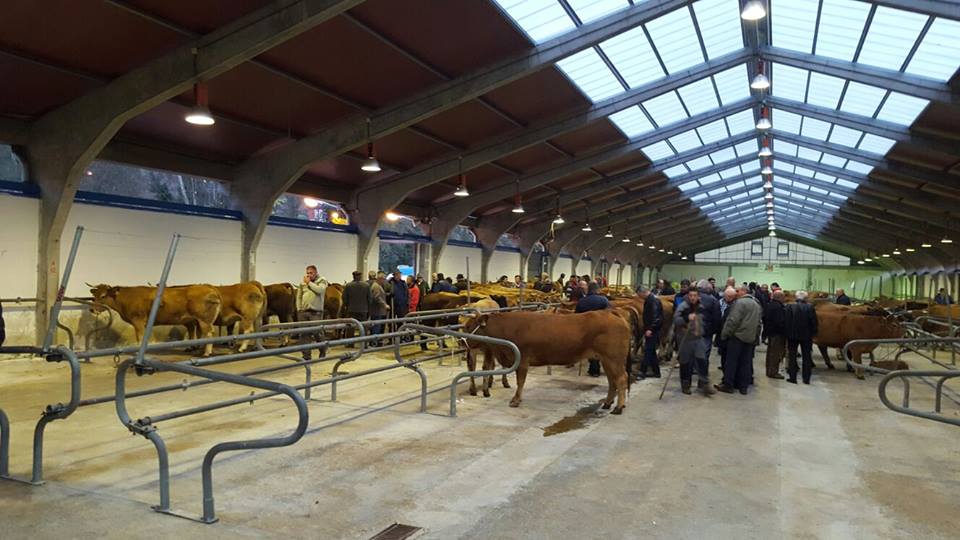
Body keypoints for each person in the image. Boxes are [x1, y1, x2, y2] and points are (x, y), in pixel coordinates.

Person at [716, 286, 762, 395]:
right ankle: (743, 387)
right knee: (745, 363)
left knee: (731, 362)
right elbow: (759, 323)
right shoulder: (756, 304)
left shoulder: (739, 303)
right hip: (750, 338)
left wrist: (724, 334)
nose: (736, 293)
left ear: (743, 292)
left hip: (737, 337)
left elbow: (733, 320)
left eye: (738, 291)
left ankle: (728, 385)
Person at [674, 287, 716, 396]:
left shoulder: (701, 306)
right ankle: (685, 385)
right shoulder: (683, 306)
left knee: (702, 361)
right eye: (691, 295)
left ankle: (704, 384)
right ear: (688, 296)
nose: (692, 298)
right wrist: (687, 318)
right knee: (686, 363)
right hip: (685, 339)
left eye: (694, 295)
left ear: (698, 296)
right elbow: (676, 320)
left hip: (698, 338)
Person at [575, 282, 610, 377]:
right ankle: (596, 368)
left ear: (588, 290)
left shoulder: (582, 301)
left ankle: (594, 368)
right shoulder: (604, 300)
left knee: (589, 348)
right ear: (598, 290)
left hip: (586, 330)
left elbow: (576, 317)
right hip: (601, 329)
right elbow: (609, 314)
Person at [784, 290, 818, 384]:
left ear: (796, 297)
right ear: (806, 298)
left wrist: (786, 334)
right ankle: (806, 379)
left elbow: (786, 322)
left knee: (792, 356)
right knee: (807, 357)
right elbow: (814, 322)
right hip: (806, 336)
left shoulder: (789, 306)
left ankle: (793, 377)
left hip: (792, 335)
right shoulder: (810, 307)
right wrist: (813, 334)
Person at [296, 265, 328, 360]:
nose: (309, 275)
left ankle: (323, 349)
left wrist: (309, 283)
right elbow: (299, 296)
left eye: (311, 273)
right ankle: (306, 356)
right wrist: (299, 309)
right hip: (304, 312)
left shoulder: (322, 280)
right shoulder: (303, 283)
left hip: (316, 312)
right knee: (304, 334)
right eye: (307, 273)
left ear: (316, 273)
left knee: (317, 332)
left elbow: (320, 290)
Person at [637, 286, 662, 379]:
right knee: (651, 351)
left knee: (648, 351)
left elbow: (656, 317)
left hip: (652, 330)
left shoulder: (653, 301)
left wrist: (650, 329)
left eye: (639, 295)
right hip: (651, 329)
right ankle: (656, 372)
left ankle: (642, 372)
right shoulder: (650, 299)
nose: (640, 297)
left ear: (643, 292)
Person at [342, 271, 371, 348]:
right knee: (364, 327)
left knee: (351, 327)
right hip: (363, 309)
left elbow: (344, 298)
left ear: (353, 276)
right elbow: (369, 299)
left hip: (351, 309)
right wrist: (368, 309)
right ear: (360, 276)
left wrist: (347, 306)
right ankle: (364, 344)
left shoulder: (348, 286)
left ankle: (350, 343)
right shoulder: (366, 285)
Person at [763, 290, 787, 379]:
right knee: (775, 354)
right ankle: (773, 372)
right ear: (779, 297)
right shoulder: (778, 307)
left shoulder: (770, 305)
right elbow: (779, 322)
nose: (784, 299)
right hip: (777, 334)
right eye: (783, 297)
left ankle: (769, 370)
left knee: (770, 353)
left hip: (770, 332)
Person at [369, 272, 389, 346]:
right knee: (376, 327)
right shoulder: (376, 286)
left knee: (377, 327)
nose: (384, 281)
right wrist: (385, 305)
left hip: (378, 310)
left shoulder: (378, 286)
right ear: (380, 279)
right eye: (383, 279)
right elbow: (377, 298)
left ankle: (375, 342)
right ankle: (374, 343)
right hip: (377, 311)